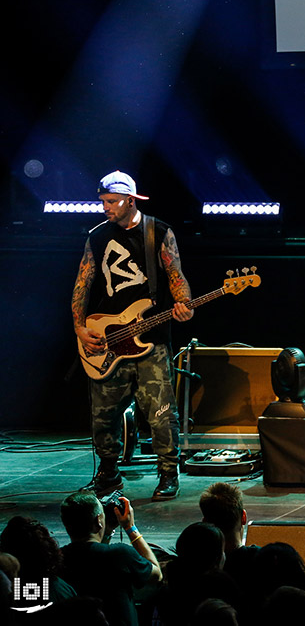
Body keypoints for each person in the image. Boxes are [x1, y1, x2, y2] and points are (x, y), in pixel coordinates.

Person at [73, 171, 193, 501]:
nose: (106, 208)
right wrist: (80, 328)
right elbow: (82, 286)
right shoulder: (97, 236)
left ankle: (168, 472)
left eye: (111, 202)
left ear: (130, 200)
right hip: (108, 337)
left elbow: (175, 275)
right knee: (104, 412)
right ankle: (108, 473)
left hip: (151, 338)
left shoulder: (158, 231)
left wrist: (184, 304)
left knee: (160, 411)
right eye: (103, 202)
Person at [59, 490, 162, 626]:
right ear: (98, 520)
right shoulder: (120, 553)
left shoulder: (58, 558)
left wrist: (106, 532)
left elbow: (94, 556)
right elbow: (156, 575)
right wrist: (130, 528)